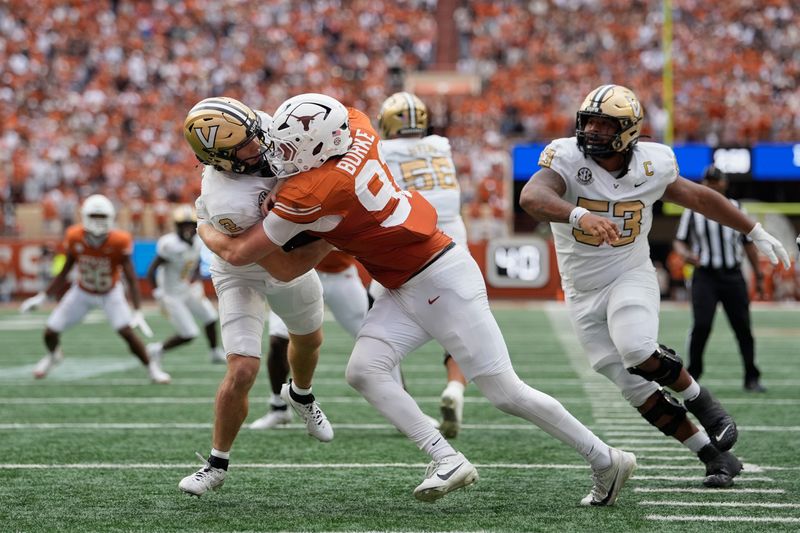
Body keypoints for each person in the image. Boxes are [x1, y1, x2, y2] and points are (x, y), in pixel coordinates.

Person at [197, 92, 636, 505]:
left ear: (320, 150)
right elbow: (343, 120)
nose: (281, 157)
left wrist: (203, 224)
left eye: (292, 150)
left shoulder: (310, 191)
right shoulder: (358, 127)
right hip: (405, 279)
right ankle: (447, 458)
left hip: (438, 278)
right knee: (365, 371)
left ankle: (605, 459)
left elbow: (267, 261)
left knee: (505, 392)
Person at [519, 84, 791, 488]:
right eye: (588, 121)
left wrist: (752, 230)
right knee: (634, 389)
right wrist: (579, 215)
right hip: (581, 289)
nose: (591, 130)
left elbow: (699, 197)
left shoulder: (653, 163)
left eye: (603, 123)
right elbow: (532, 196)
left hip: (629, 273)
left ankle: (706, 404)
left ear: (628, 130)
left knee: (636, 347)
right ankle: (715, 457)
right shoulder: (566, 157)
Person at [178, 97, 335, 497]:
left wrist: (283, 185)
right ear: (222, 159)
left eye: (254, 132)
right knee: (243, 369)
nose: (259, 142)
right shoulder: (227, 199)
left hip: (278, 249)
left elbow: (309, 156)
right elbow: (271, 262)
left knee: (310, 340)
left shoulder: (263, 127)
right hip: (244, 268)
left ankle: (301, 395)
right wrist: (332, 237)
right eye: (246, 144)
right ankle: (216, 464)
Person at [374, 91, 469, 439]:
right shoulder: (440, 145)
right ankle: (455, 388)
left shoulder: (383, 149)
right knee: (460, 321)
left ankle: (399, 401)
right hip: (455, 236)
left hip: (411, 235)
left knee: (378, 319)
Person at [19, 194, 169, 383]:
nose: (98, 222)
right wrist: (42, 297)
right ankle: (53, 356)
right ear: (85, 217)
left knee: (127, 333)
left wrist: (137, 310)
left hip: (110, 292)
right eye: (94, 217)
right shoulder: (74, 236)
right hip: (82, 291)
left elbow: (131, 278)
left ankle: (151, 368)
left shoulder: (119, 240)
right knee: (50, 331)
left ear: (110, 218)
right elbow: (65, 270)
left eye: (102, 217)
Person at [250, 250, 370, 429]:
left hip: (339, 274)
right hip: (298, 273)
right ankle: (278, 407)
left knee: (375, 339)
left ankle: (403, 404)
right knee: (277, 341)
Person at [673, 165, 766, 392]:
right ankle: (693, 375)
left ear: (724, 183)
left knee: (743, 327)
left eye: (716, 181)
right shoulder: (692, 211)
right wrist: (686, 255)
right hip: (705, 275)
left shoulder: (736, 208)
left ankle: (751, 376)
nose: (713, 185)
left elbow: (748, 244)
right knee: (702, 325)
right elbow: (679, 241)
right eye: (709, 181)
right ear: (704, 184)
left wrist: (759, 275)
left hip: (732, 275)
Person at [145, 204, 226, 366]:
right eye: (184, 226)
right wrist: (157, 292)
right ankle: (157, 349)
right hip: (171, 295)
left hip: (186, 289)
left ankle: (214, 352)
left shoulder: (198, 241)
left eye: (190, 225)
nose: (188, 229)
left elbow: (194, 264)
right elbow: (151, 270)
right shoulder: (169, 245)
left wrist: (195, 281)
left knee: (210, 317)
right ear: (177, 227)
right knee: (189, 333)